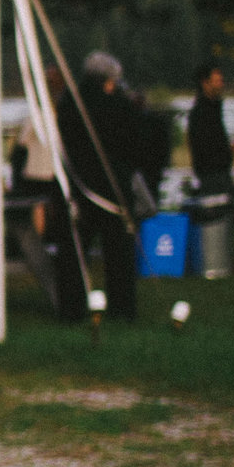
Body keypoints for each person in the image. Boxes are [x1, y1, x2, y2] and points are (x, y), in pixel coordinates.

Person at [50, 52, 142, 321]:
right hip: (111, 186)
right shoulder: (119, 105)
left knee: (74, 251)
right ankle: (122, 309)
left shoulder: (70, 102)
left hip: (78, 184)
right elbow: (133, 140)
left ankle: (71, 309)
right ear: (109, 80)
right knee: (118, 252)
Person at [187, 63, 234, 195]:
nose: (221, 85)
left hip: (220, 172)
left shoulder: (215, 109)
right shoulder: (201, 113)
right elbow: (203, 145)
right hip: (212, 175)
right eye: (217, 81)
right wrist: (225, 151)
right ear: (205, 83)